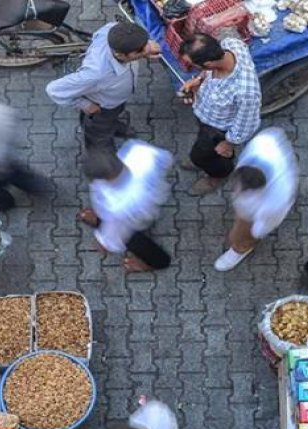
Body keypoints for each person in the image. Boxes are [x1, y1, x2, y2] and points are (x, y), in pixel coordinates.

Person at [46, 23, 160, 175]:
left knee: (113, 116)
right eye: (139, 50)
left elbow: (100, 32)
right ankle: (108, 167)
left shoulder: (114, 31)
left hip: (115, 101)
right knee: (99, 139)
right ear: (120, 55)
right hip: (101, 109)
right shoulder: (96, 74)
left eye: (145, 44)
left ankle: (114, 127)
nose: (147, 49)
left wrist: (143, 50)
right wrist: (85, 104)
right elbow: (54, 89)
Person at [178, 33, 262, 195]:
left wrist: (229, 143)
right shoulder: (231, 44)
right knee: (201, 145)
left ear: (208, 63)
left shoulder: (245, 91)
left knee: (206, 156)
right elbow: (206, 73)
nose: (192, 68)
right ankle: (200, 159)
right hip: (205, 117)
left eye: (193, 65)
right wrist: (199, 80)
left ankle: (217, 176)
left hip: (218, 130)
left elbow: (248, 122)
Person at [77, 141, 173, 272]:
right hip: (148, 199)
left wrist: (105, 242)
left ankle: (155, 262)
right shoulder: (137, 151)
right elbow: (165, 158)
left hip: (132, 219)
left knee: (133, 240)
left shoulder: (119, 204)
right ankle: (99, 220)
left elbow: (116, 230)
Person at [214, 127, 298, 272]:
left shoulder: (277, 197)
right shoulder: (259, 147)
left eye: (243, 190)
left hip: (260, 210)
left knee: (243, 233)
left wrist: (254, 231)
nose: (237, 190)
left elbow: (265, 224)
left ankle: (241, 248)